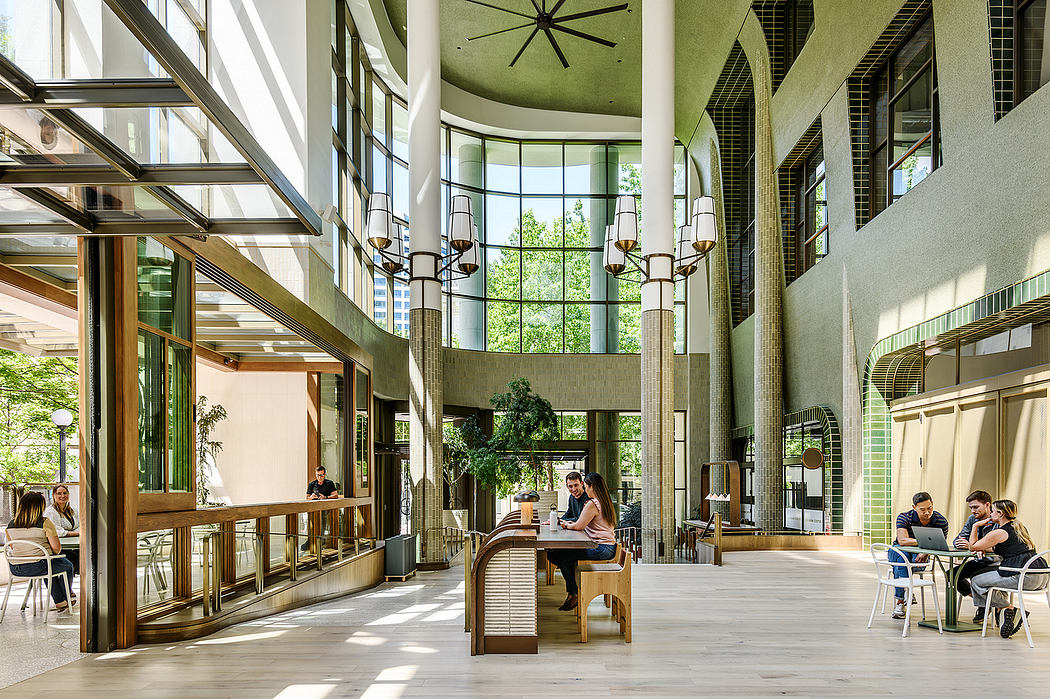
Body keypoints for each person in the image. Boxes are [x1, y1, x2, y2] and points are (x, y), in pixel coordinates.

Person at [969, 499, 1049, 639]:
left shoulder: (998, 532)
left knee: (976, 580)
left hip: (1024, 578)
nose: (990, 515)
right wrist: (982, 547)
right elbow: (997, 547)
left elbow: (972, 546)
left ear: (1000, 514)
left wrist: (975, 526)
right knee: (991, 580)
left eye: (992, 512)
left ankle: (1008, 608)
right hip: (1040, 576)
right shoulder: (1019, 527)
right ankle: (1006, 612)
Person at [547, 472, 618, 612]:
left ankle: (574, 594)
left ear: (592, 487)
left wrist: (565, 525)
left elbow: (579, 525)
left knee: (564, 559)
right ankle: (574, 590)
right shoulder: (603, 501)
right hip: (607, 547)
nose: (585, 490)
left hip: (602, 548)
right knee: (558, 556)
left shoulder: (593, 503)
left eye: (586, 487)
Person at [4, 492, 76, 611]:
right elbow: (57, 549)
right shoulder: (44, 522)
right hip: (40, 565)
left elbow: (12, 546)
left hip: (16, 568)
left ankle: (61, 601)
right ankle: (63, 598)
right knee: (66, 565)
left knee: (48, 565)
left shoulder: (11, 524)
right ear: (40, 507)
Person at [890, 491, 949, 619]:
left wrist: (925, 551)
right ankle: (907, 592)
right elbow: (902, 541)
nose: (927, 513)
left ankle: (901, 602)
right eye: (922, 510)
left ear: (932, 504)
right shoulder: (904, 517)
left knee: (900, 565)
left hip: (920, 556)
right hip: (898, 551)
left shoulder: (940, 521)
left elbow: (939, 545)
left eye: (930, 508)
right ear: (914, 507)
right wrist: (926, 541)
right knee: (902, 553)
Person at [952, 489, 1000, 622]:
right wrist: (961, 542)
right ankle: (987, 602)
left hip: (996, 562)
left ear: (987, 505)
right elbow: (958, 539)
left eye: (976, 507)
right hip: (980, 560)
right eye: (971, 508)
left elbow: (997, 546)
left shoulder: (998, 520)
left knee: (977, 577)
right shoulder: (972, 519)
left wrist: (976, 545)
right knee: (952, 575)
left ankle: (990, 605)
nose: (973, 511)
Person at [44, 484, 80, 574]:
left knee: (86, 553)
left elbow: (80, 525)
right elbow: (57, 531)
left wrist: (77, 532)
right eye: (59, 493)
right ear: (54, 496)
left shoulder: (72, 510)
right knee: (79, 558)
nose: (62, 496)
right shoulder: (51, 512)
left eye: (65, 493)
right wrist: (77, 533)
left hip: (72, 545)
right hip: (58, 547)